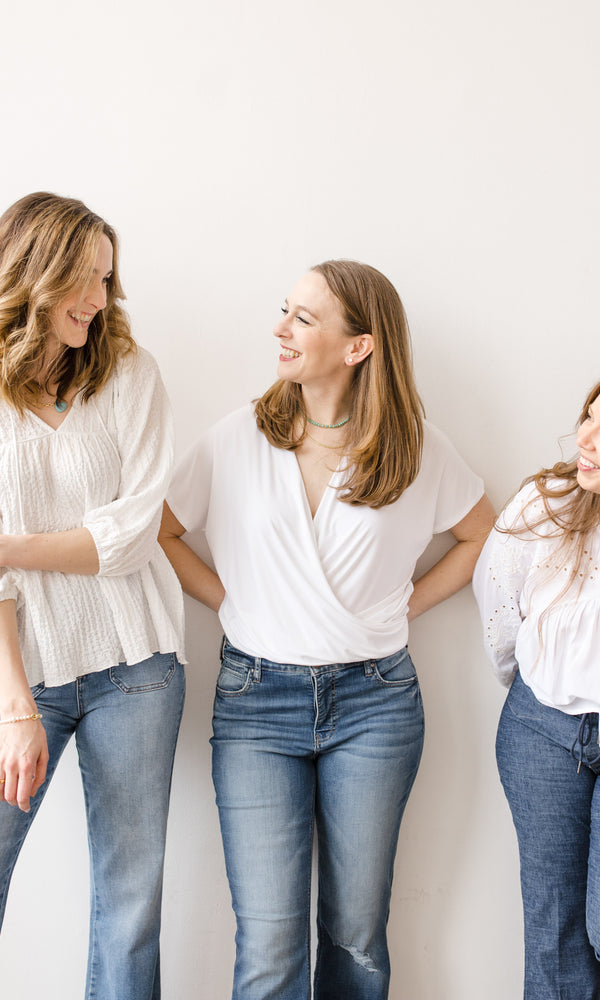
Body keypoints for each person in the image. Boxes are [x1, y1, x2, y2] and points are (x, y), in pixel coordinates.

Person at [160, 259, 494, 1000]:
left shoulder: (416, 451)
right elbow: (160, 531)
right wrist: (231, 601)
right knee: (271, 942)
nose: (280, 329)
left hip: (375, 705)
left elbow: (481, 536)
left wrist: (405, 604)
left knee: (355, 935)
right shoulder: (238, 438)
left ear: (359, 346)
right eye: (286, 311)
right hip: (255, 705)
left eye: (304, 319)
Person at [0, 192, 186, 1000]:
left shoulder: (131, 374)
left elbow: (132, 537)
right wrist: (16, 709)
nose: (100, 301)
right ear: (37, 274)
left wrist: (9, 547)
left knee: (130, 906)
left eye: (109, 281)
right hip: (20, 674)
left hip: (135, 667)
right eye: (86, 280)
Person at [473, 380, 600, 1000]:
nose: (588, 441)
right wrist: (531, 685)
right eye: (588, 419)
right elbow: (500, 611)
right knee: (553, 932)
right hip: (542, 731)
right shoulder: (543, 504)